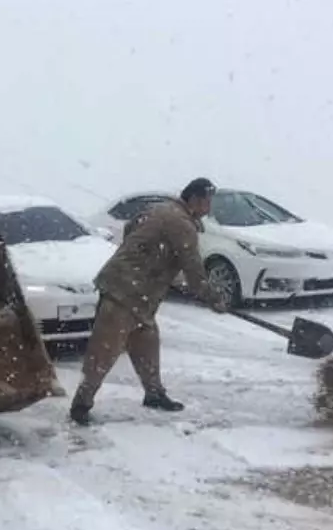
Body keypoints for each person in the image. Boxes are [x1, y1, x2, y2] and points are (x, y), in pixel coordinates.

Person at [69, 177, 228, 425]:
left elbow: (131, 229)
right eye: (208, 202)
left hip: (138, 292)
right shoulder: (181, 223)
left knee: (147, 341)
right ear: (196, 200)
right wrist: (212, 298)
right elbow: (193, 269)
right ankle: (81, 403)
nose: (210, 208)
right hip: (125, 291)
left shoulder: (160, 209)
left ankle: (154, 394)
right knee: (105, 350)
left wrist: (150, 261)